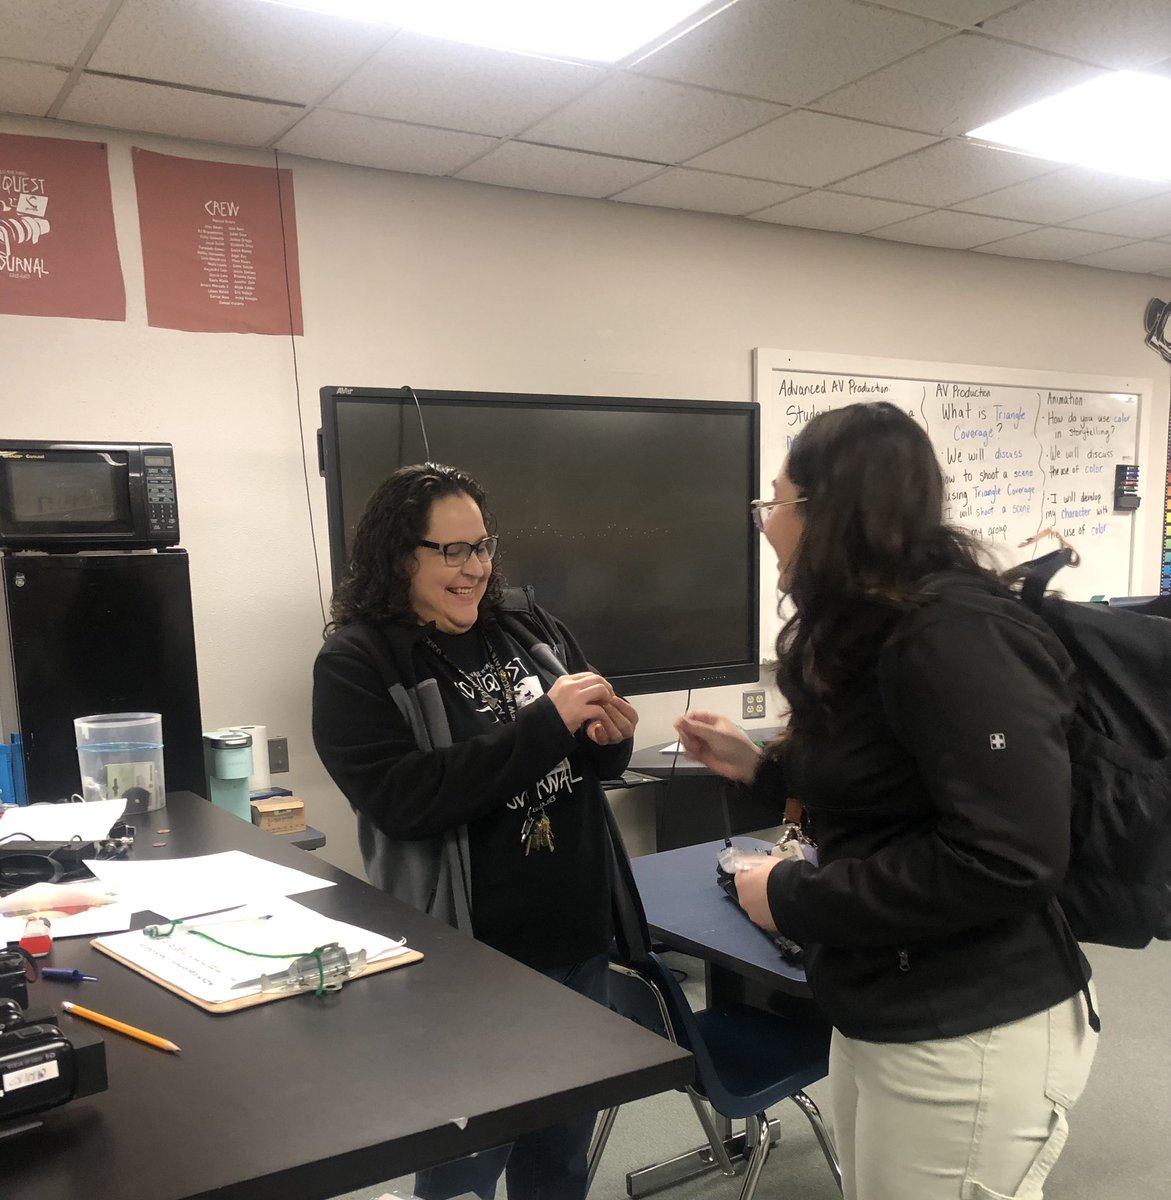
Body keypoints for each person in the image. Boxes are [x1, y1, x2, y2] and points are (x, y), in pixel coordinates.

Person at [676, 402, 1098, 1200]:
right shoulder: (874, 628)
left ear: (828, 512)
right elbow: (889, 786)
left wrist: (795, 897)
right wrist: (760, 769)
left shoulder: (954, 636)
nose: (765, 525)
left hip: (972, 1023)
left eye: (777, 503)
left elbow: (1009, 860)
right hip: (880, 1000)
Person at [312, 462, 637, 1200]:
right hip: (468, 962)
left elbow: (590, 752)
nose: (475, 569)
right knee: (463, 1170)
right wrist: (545, 724)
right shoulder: (357, 662)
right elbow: (405, 799)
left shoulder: (528, 627)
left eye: (482, 546)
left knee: (557, 1161)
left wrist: (607, 735)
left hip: (573, 939)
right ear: (399, 557)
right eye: (450, 552)